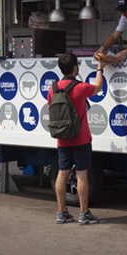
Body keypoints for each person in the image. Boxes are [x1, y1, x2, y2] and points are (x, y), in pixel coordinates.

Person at [47, 53, 108, 224]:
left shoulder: (53, 88)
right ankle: (84, 213)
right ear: (75, 68)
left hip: (62, 138)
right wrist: (100, 67)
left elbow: (51, 106)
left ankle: (61, 212)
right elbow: (98, 87)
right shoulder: (80, 87)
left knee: (62, 173)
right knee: (81, 174)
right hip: (80, 139)